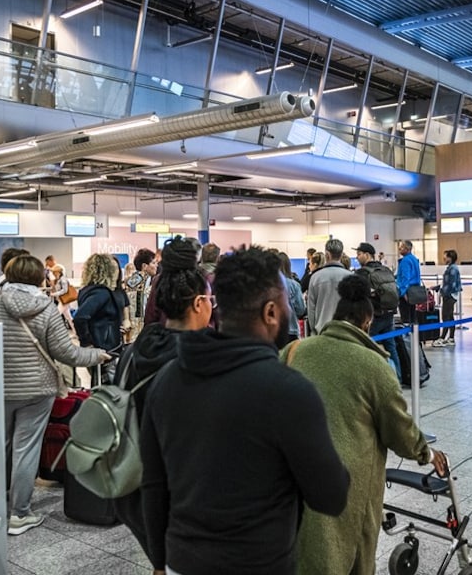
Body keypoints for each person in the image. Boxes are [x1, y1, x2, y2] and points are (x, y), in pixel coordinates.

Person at [140, 246, 350, 575]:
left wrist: (158, 562)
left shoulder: (167, 378)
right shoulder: (288, 391)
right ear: (270, 312)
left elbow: (153, 484)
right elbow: (331, 497)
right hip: (260, 564)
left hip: (181, 560)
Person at [282, 274, 448, 574]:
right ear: (367, 322)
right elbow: (399, 431)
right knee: (345, 556)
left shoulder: (295, 351)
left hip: (289, 479)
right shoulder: (374, 366)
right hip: (346, 487)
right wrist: (426, 453)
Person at [0, 255, 109, 535]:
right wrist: (96, 355)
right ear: (40, 278)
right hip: (37, 390)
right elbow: (66, 353)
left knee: (0, 444)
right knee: (26, 449)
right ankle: (20, 514)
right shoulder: (45, 308)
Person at [115, 236, 213, 559]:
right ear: (199, 304)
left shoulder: (135, 350)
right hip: (185, 499)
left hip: (133, 491)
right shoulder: (201, 361)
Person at [74, 253, 130, 385]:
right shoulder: (102, 293)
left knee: (99, 383)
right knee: (108, 386)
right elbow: (80, 318)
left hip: (102, 346)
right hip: (106, 348)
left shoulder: (89, 291)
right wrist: (87, 343)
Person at [354, 242, 401, 380]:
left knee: (367, 347)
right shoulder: (385, 270)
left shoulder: (362, 273)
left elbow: (358, 295)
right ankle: (397, 377)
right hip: (389, 313)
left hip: (372, 316)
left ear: (367, 255)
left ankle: (369, 379)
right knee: (391, 347)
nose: (357, 257)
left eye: (359, 254)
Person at [306, 238, 351, 335]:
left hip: (322, 331)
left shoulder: (315, 278)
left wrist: (314, 329)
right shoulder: (351, 278)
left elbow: (311, 310)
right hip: (345, 332)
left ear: (327, 255)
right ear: (341, 254)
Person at [124, 248, 157, 342]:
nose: (157, 265)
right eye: (154, 263)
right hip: (137, 326)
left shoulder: (138, 279)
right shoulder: (137, 280)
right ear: (144, 266)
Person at [433, 250, 461, 348]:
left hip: (449, 296)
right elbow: (446, 283)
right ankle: (450, 338)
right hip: (450, 295)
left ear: (450, 258)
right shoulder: (451, 268)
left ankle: (443, 338)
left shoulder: (452, 269)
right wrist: (438, 287)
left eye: (445, 257)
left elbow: (451, 285)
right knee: (450, 316)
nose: (444, 258)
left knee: (446, 316)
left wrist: (443, 292)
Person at [279, 251, 306, 341]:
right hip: (292, 329)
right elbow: (300, 309)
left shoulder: (269, 284)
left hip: (275, 330)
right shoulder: (294, 285)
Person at [396, 240, 422, 325]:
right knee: (413, 317)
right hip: (414, 292)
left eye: (402, 246)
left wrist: (403, 293)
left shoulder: (405, 261)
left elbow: (405, 278)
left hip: (406, 292)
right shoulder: (414, 259)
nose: (399, 248)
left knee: (406, 319)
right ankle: (414, 337)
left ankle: (407, 337)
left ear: (407, 249)